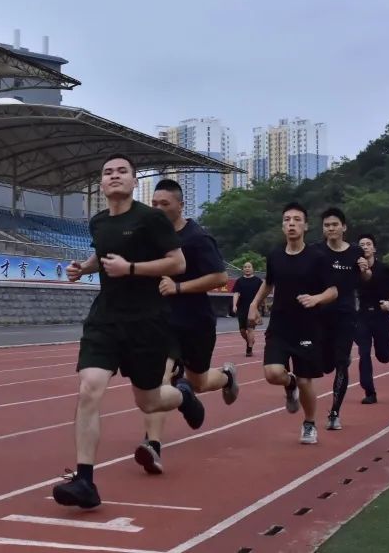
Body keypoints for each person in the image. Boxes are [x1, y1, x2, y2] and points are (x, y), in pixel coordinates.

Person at [52, 155, 205, 509]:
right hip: (105, 319)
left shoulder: (151, 219)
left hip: (146, 322)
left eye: (122, 171)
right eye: (108, 172)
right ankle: (85, 481)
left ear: (135, 182)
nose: (114, 176)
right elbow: (104, 256)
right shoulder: (98, 222)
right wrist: (84, 268)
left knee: (148, 401)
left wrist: (131, 268)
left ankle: (183, 395)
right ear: (101, 184)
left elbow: (178, 263)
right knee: (89, 388)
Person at [134, 179, 238, 475]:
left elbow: (220, 277)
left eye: (164, 204)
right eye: (154, 204)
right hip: (162, 322)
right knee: (159, 378)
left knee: (199, 382)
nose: (157, 209)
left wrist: (179, 287)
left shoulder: (197, 238)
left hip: (195, 322)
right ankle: (153, 445)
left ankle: (227, 377)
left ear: (180, 205)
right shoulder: (151, 237)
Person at [248, 203, 337, 445]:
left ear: (306, 226)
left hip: (308, 327)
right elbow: (268, 283)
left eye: (297, 220)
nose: (291, 224)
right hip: (280, 325)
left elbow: (333, 291)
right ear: (282, 226)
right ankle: (290, 384)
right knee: (272, 373)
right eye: (287, 219)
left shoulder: (318, 258)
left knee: (306, 380)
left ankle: (309, 423)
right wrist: (254, 304)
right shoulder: (275, 256)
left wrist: (316, 298)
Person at [316, 208, 370, 431]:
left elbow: (366, 277)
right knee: (324, 365)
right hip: (320, 314)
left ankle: (334, 413)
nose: (331, 228)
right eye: (327, 225)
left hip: (345, 314)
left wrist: (365, 270)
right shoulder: (316, 251)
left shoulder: (356, 251)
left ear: (344, 227)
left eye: (334, 224)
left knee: (341, 364)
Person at [355, 234, 389, 404]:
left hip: (381, 314)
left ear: (374, 248)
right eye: (362, 244)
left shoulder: (384, 269)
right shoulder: (354, 269)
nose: (365, 247)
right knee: (364, 352)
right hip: (363, 316)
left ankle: (388, 349)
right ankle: (370, 392)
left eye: (368, 244)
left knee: (384, 355)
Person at [232, 262, 264, 356]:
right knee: (242, 331)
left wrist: (262, 306)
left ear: (252, 268)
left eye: (249, 267)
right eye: (245, 267)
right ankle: (250, 341)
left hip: (253, 308)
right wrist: (234, 305)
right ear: (243, 269)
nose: (247, 268)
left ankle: (249, 349)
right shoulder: (239, 281)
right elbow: (236, 293)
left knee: (250, 329)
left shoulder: (258, 281)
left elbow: (262, 294)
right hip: (242, 308)